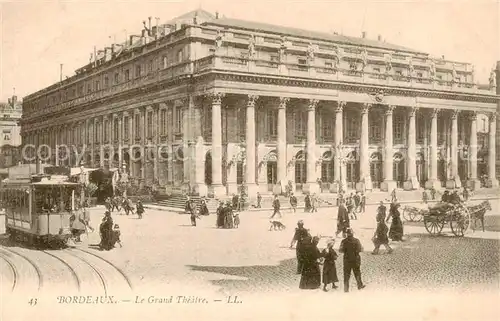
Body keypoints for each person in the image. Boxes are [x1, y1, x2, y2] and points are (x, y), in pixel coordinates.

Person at [339, 228, 365, 292]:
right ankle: (359, 285)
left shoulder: (343, 241)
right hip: (356, 259)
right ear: (352, 233)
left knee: (346, 274)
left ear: (347, 234)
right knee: (357, 272)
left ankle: (346, 289)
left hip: (347, 260)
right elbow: (360, 249)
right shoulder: (357, 241)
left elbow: (340, 250)